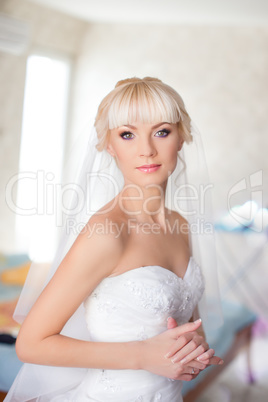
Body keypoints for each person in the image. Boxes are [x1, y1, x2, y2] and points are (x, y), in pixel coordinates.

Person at [5, 77, 223, 401]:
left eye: (161, 132)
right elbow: (31, 343)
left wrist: (194, 349)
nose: (146, 150)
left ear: (182, 137)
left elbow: (184, 318)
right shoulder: (107, 233)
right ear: (109, 145)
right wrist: (141, 356)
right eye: (127, 134)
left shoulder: (179, 224)